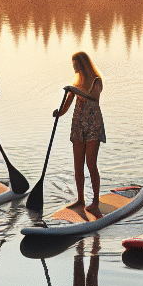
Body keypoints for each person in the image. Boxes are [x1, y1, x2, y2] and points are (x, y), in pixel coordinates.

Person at [52, 51, 105, 217]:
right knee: (78, 165)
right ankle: (81, 199)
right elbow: (67, 105)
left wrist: (75, 90)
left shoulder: (96, 80)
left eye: (75, 63)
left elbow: (93, 98)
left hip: (93, 125)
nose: (73, 66)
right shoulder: (76, 82)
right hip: (78, 126)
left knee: (91, 163)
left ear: (82, 64)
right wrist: (59, 113)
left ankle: (95, 202)